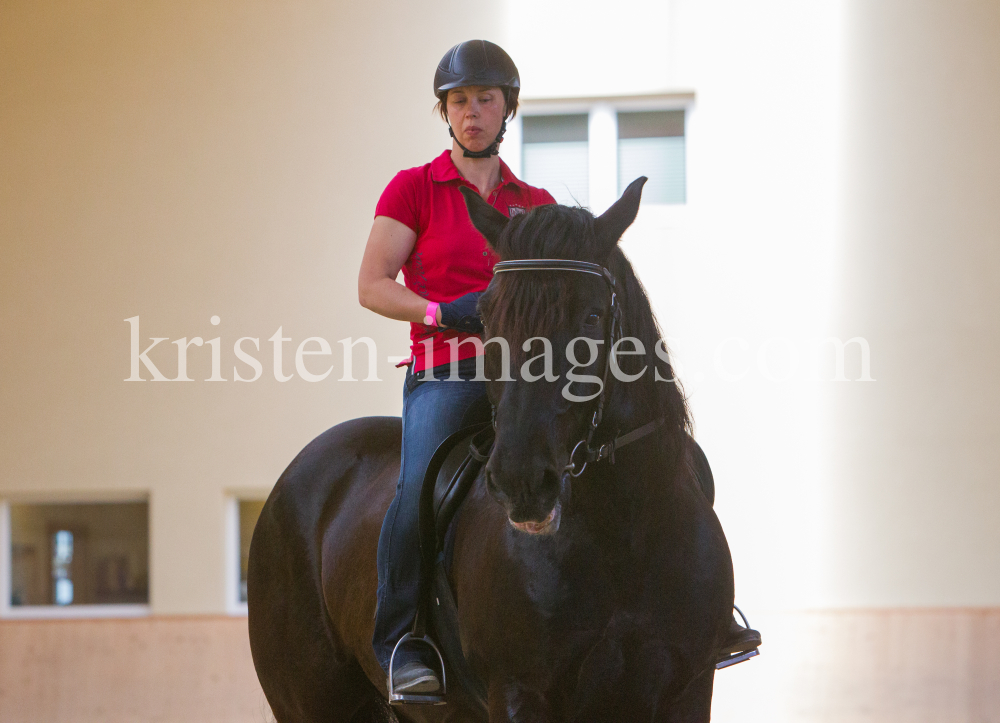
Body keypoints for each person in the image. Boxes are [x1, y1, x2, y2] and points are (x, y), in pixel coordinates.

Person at [358, 39, 556, 696]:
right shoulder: (414, 187)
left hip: (527, 374)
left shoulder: (536, 200)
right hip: (449, 368)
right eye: (459, 100)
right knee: (415, 486)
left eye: (485, 99)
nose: (472, 112)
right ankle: (401, 641)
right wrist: (442, 312)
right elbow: (373, 284)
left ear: (508, 109)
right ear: (445, 112)